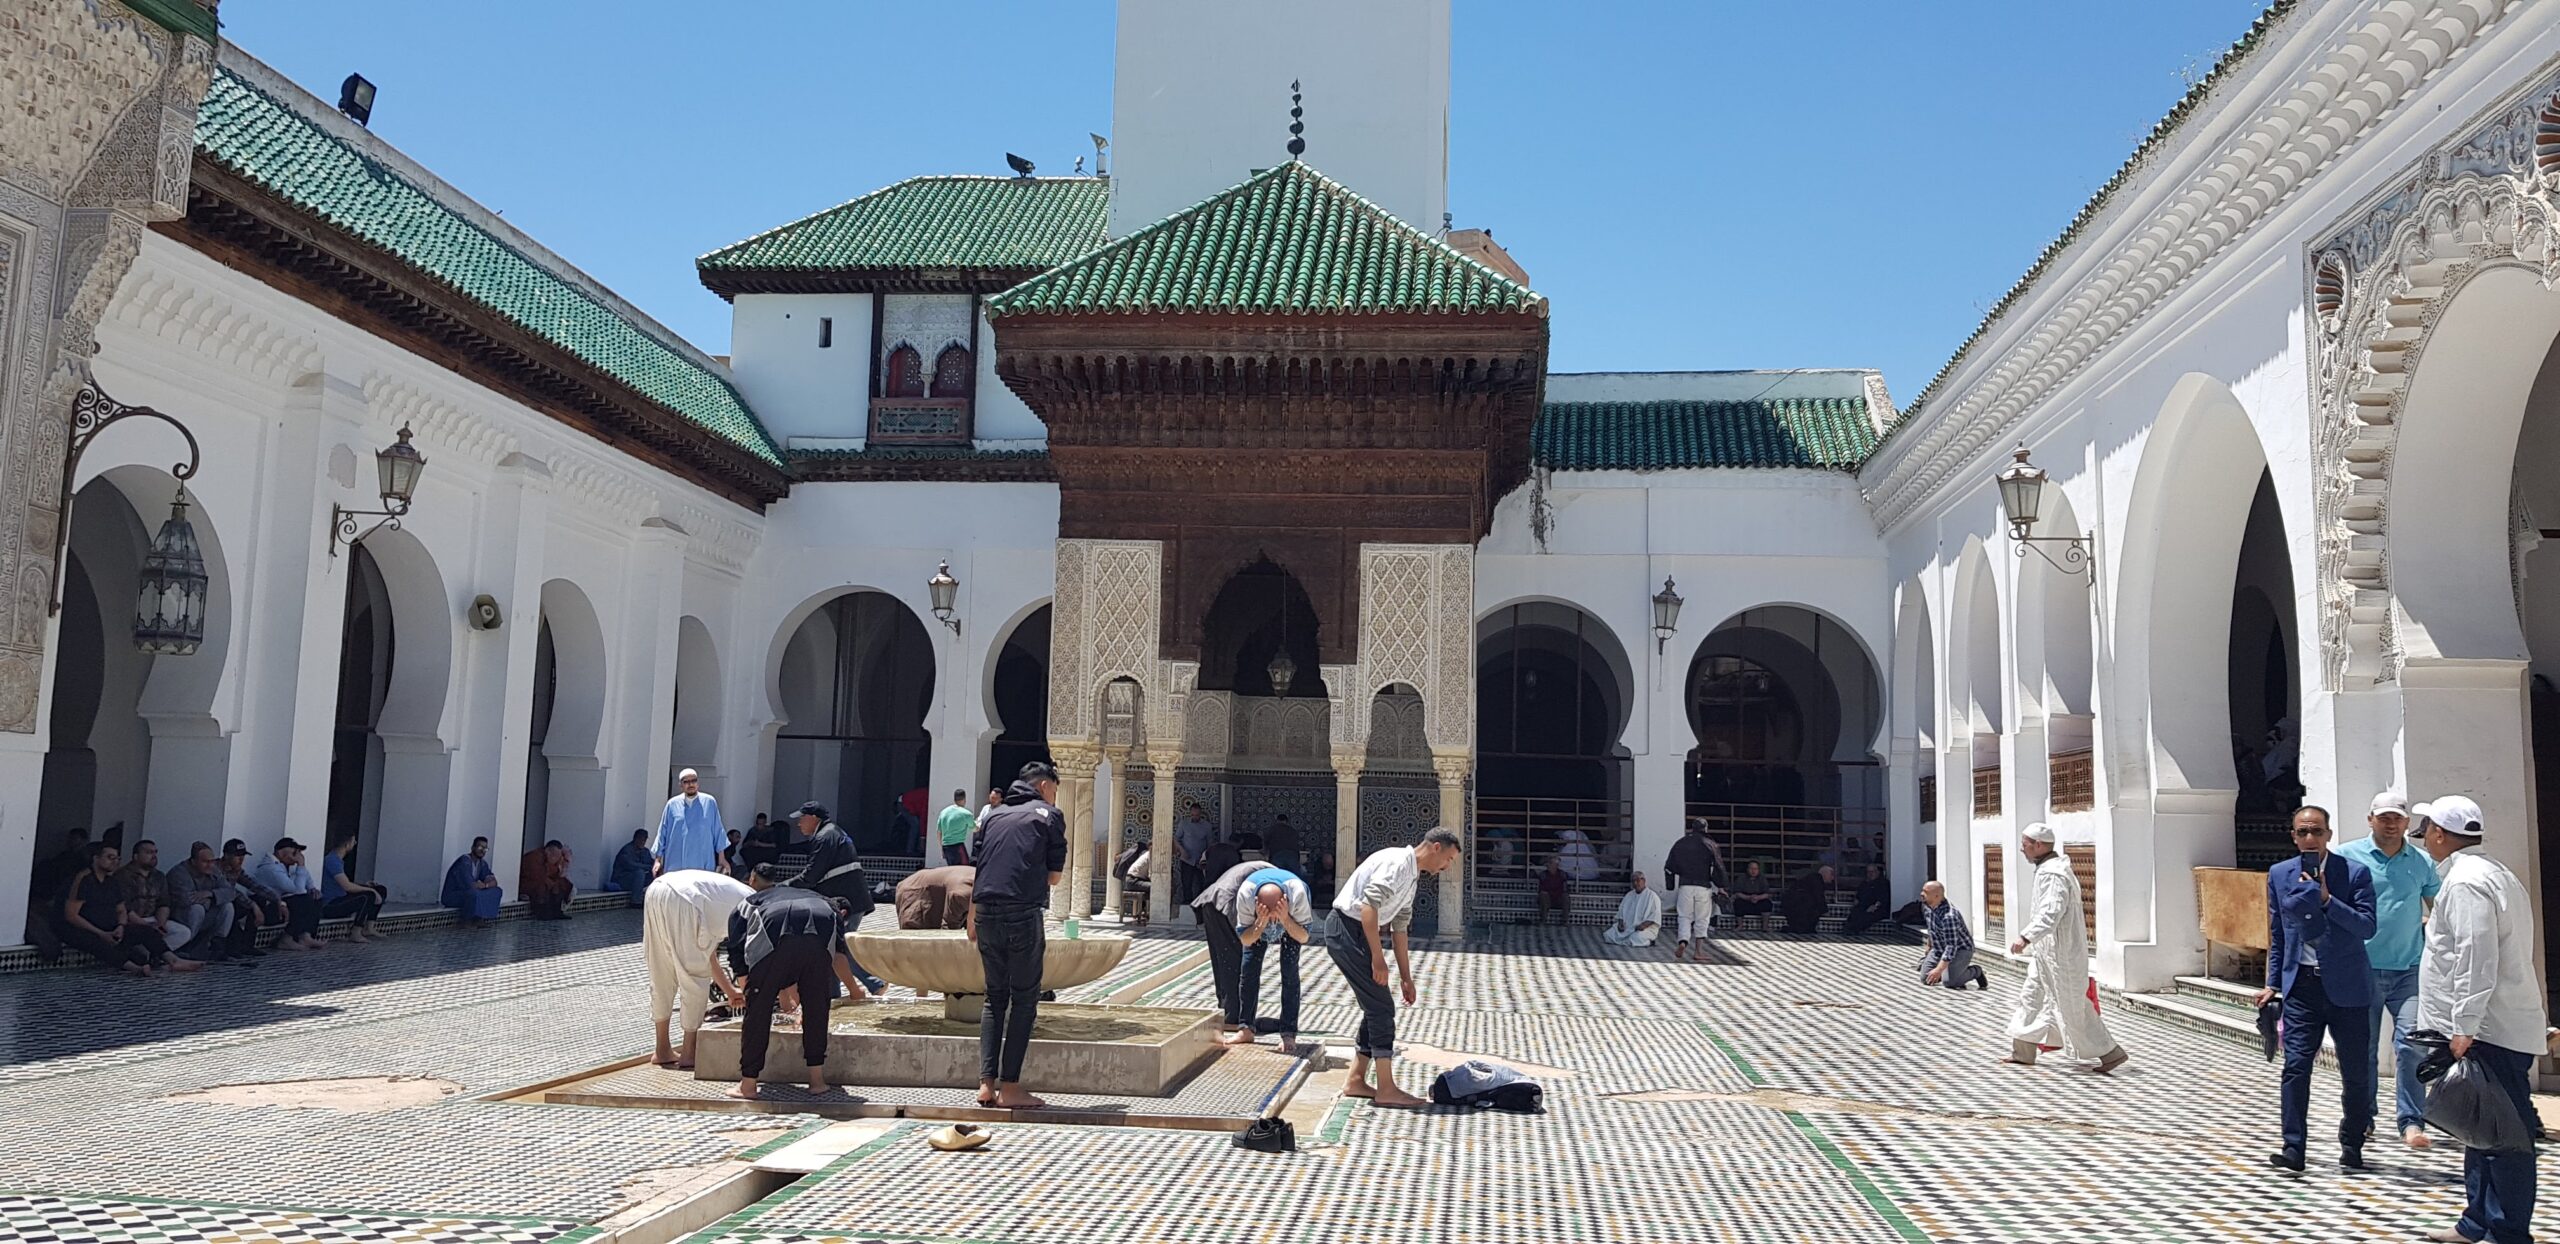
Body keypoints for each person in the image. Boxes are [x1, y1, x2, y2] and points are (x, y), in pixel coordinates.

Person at [2411, 795, 2544, 1244]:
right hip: (2489, 1026)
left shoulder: (2468, 882)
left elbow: (2476, 956)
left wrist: (2464, 1025)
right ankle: (2476, 1222)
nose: (2425, 834)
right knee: (2480, 1127)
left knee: (2505, 1138)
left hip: (2487, 1030)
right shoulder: (2492, 873)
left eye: (2427, 827)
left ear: (2440, 833)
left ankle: (2508, 1231)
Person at [2253, 805, 2378, 1172]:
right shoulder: (2279, 874)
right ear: (2293, 836)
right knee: (2295, 1066)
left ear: (2329, 834)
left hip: (2348, 988)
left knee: (2355, 1072)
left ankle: (2352, 1142)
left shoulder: (2354, 873)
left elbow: (2366, 927)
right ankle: (2293, 1148)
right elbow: (2278, 933)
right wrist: (2273, 983)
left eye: (2317, 831)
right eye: (2303, 832)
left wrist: (2326, 900)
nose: (2310, 838)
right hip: (2302, 987)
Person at [1326, 827, 1463, 1109]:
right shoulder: (1397, 863)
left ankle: (1356, 1080)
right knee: (1381, 1008)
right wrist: (1378, 958)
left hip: (1359, 934)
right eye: (1449, 859)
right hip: (1346, 931)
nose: (1448, 866)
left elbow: (1400, 928)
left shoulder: (1411, 877)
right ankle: (1386, 1088)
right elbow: (1368, 908)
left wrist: (1406, 977)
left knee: (1377, 1005)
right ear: (1436, 847)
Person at [2336, 788, 2440, 1150]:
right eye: (2384, 817)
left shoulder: (2421, 861)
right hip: (2361, 969)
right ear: (2370, 820)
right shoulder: (2347, 857)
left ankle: (2411, 1121)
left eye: (2397, 817)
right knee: (2362, 1047)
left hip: (2408, 968)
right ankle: (2362, 1115)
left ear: (2407, 821)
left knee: (2412, 1044)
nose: (2391, 823)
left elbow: (2438, 908)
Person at [970, 761, 1069, 1109]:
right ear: (1044, 786)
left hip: (985, 913)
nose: (1055, 797)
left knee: (994, 997)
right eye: (1054, 791)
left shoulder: (993, 815)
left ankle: (985, 1085)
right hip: (1021, 914)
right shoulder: (1049, 815)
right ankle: (1010, 1087)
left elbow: (979, 867)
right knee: (1025, 999)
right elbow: (1054, 878)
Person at [725, 866, 869, 1098]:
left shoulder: (750, 902)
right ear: (843, 912)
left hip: (771, 924)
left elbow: (738, 951)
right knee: (816, 1008)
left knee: (758, 1012)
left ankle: (748, 1085)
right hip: (817, 926)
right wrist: (854, 990)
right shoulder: (830, 908)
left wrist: (751, 992)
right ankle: (816, 1081)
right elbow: (838, 957)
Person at [2003, 823, 2127, 1072]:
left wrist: (2026, 937)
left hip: (2063, 956)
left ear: (2038, 846)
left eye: (2025, 844)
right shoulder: (2047, 870)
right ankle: (2023, 1051)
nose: (2021, 849)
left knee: (2073, 1007)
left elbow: (2052, 911)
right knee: (2031, 998)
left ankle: (2110, 1053)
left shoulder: (2054, 874)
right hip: (2045, 954)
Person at [643, 866, 754, 1068]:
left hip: (657, 889)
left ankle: (662, 1049)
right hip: (687, 899)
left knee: (661, 973)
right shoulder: (755, 908)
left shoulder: (738, 896)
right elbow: (742, 959)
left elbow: (709, 956)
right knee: (694, 978)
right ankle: (689, 1052)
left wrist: (729, 991)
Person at [785, 802, 885, 993]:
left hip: (846, 902)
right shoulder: (832, 833)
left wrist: (783, 886)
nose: (799, 823)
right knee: (829, 947)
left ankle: (875, 983)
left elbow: (811, 875)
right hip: (849, 900)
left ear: (814, 818)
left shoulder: (825, 837)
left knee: (837, 948)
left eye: (802, 818)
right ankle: (832, 994)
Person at [1225, 865, 1313, 1049]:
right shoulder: (1246, 895)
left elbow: (1303, 936)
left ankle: (1289, 1033)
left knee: (1290, 973)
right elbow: (1246, 940)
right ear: (1257, 904)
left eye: (1275, 919)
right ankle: (1246, 1028)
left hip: (1292, 921)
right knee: (1248, 971)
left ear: (1285, 901)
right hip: (1256, 922)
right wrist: (1261, 922)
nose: (1273, 924)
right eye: (1270, 919)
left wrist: (1285, 919)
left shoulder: (1297, 894)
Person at [58, 843, 174, 974]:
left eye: (117, 858)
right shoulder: (82, 879)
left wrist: (120, 926)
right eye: (110, 857)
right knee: (96, 942)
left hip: (108, 927)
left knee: (146, 931)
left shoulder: (112, 881)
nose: (115, 862)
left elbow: (121, 909)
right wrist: (101, 933)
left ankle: (173, 960)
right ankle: (133, 968)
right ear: (96, 858)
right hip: (80, 928)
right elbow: (71, 915)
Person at [1190, 858, 1263, 1040]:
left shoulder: (1265, 871)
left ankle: (1228, 1010)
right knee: (1233, 960)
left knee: (1223, 959)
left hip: (1211, 902)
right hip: (1223, 904)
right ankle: (1233, 1016)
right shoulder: (1274, 882)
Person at [117, 839, 203, 966]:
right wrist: (148, 927)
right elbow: (125, 907)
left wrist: (160, 924)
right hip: (131, 919)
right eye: (148, 852)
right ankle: (151, 953)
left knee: (183, 932)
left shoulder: (159, 876)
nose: (153, 856)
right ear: (136, 856)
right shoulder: (122, 876)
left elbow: (164, 903)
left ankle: (152, 954)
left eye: (155, 852)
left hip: (152, 919)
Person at [167, 841, 240, 962]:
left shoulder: (214, 870)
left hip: (204, 913)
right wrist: (212, 900)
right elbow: (186, 900)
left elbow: (230, 892)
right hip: (179, 916)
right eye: (205, 862)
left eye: (212, 861)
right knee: (197, 909)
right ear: (193, 861)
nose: (210, 865)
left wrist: (211, 894)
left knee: (227, 906)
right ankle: (183, 947)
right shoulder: (179, 873)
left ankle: (217, 948)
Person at [1662, 818, 1724, 959]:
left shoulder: (1680, 843)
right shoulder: (1710, 844)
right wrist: (1721, 886)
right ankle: (1698, 951)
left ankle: (1683, 941)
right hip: (1703, 886)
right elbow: (1719, 867)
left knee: (1684, 916)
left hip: (1685, 886)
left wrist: (1670, 885)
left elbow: (1669, 866)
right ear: (1705, 828)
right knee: (1702, 918)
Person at [254, 837, 327, 949]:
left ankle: (305, 936)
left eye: (298, 852)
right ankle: (286, 939)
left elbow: (308, 882)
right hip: (269, 907)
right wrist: (301, 865)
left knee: (315, 898)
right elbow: (298, 890)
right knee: (303, 900)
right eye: (294, 852)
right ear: (280, 853)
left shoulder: (290, 866)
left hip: (283, 904)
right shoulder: (271, 868)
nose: (297, 855)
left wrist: (313, 889)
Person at [1916, 880, 1988, 990]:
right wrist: (1929, 946)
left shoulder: (1949, 916)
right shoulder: (1927, 906)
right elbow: (1931, 928)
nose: (1921, 894)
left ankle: (1975, 971)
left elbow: (1951, 947)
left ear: (1936, 896)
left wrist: (1939, 970)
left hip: (1960, 950)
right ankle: (1952, 970)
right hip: (1939, 948)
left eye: (1925, 892)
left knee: (1950, 982)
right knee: (1926, 978)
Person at [654, 768, 727, 876]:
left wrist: (722, 859)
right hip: (676, 862)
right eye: (686, 782)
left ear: (698, 783)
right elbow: (662, 833)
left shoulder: (709, 802)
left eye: (693, 781)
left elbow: (718, 831)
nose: (691, 784)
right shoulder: (672, 805)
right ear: (680, 784)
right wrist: (658, 860)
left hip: (702, 861)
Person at [222, 839, 287, 955]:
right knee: (234, 906)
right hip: (219, 905)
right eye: (237, 856)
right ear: (227, 856)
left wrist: (278, 901)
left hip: (233, 904)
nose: (241, 860)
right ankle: (231, 948)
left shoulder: (237, 870)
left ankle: (248, 945)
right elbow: (230, 892)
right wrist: (253, 905)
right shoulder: (217, 870)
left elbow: (254, 885)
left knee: (259, 898)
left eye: (243, 856)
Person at [319, 837, 386, 941]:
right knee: (368, 895)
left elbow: (344, 883)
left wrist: (366, 886)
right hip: (330, 906)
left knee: (380, 890)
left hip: (341, 898)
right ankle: (356, 932)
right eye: (353, 841)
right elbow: (347, 886)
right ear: (347, 844)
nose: (355, 843)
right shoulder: (332, 860)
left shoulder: (338, 860)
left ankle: (369, 927)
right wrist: (370, 890)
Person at [442, 836, 504, 927]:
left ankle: (480, 918)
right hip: (453, 896)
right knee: (474, 894)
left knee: (497, 891)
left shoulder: (482, 863)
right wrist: (482, 885)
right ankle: (466, 920)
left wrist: (485, 885)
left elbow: (493, 882)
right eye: (480, 847)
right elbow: (470, 885)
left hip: (471, 892)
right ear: (473, 848)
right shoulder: (464, 861)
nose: (482, 850)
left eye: (485, 848)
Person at [895, 864, 976, 930]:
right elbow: (949, 929)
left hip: (934, 889)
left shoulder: (980, 882)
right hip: (916, 890)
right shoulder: (964, 894)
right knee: (916, 940)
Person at [1174, 800, 1216, 918]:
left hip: (1200, 859)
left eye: (1197, 815)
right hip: (1187, 859)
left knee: (1201, 882)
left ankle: (1200, 906)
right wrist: (1182, 850)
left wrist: (1206, 858)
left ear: (1200, 814)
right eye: (1193, 815)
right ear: (1190, 813)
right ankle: (1187, 904)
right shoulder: (1184, 824)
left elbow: (1209, 843)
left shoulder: (1206, 826)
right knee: (1186, 882)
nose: (1195, 817)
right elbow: (1176, 839)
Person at [1602, 872, 1662, 947]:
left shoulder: (1652, 896)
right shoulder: (1629, 895)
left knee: (1635, 938)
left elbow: (1655, 916)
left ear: (1643, 880)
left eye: (1637, 880)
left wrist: (1643, 925)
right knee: (1608, 935)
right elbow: (1621, 911)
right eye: (1633, 881)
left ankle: (1649, 942)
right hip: (1627, 928)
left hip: (1645, 929)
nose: (1635, 883)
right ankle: (1627, 941)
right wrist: (1620, 924)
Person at [521, 839, 575, 921]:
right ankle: (542, 912)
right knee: (543, 884)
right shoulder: (534, 857)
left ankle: (557, 911)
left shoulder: (555, 860)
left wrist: (565, 862)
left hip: (544, 879)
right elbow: (537, 875)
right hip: (528, 882)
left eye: (558, 855)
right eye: (554, 854)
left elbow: (558, 875)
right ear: (547, 850)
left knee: (563, 883)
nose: (555, 857)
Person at [1782, 864, 1834, 935]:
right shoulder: (1816, 880)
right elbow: (1818, 896)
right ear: (1825, 874)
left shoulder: (1814, 879)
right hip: (1797, 903)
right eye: (1831, 875)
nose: (1832, 878)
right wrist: (1825, 910)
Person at [1842, 864, 1892, 935]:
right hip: (1864, 906)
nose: (1870, 874)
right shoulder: (1864, 883)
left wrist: (1875, 906)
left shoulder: (1883, 883)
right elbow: (1859, 895)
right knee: (1855, 912)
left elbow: (1883, 898)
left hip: (1877, 908)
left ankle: (1856, 929)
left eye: (1872, 872)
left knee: (1867, 915)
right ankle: (1849, 929)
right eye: (1869, 872)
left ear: (1877, 872)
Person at [609, 829, 654, 905]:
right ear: (635, 838)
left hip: (636, 880)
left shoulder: (645, 851)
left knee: (655, 873)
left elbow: (651, 863)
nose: (642, 842)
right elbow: (631, 865)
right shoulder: (626, 850)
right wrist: (648, 867)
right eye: (640, 839)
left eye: (644, 839)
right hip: (621, 880)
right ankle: (635, 901)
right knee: (640, 873)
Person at [1730, 860, 1775, 930]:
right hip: (1745, 899)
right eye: (1751, 868)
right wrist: (1748, 897)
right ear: (1747, 869)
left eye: (1755, 869)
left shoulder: (1762, 878)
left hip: (1759, 899)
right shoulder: (1742, 878)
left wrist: (1758, 898)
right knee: (1738, 903)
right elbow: (1737, 893)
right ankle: (1740, 925)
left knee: (1767, 904)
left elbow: (1767, 893)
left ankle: (1765, 926)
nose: (1753, 871)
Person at [936, 789, 977, 867]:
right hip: (958, 847)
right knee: (964, 870)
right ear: (964, 799)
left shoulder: (944, 812)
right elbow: (975, 829)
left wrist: (941, 849)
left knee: (952, 870)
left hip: (946, 847)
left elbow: (939, 832)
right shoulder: (966, 814)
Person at [1536, 855, 1570, 923]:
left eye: (1550, 863)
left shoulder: (1562, 874)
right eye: (1548, 863)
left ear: (1556, 865)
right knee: (1543, 895)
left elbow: (1564, 889)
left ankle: (1565, 920)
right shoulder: (1543, 874)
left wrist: (1556, 893)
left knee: (1565, 897)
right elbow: (1542, 888)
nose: (1548, 865)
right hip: (1547, 898)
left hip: (1558, 897)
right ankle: (1543, 920)